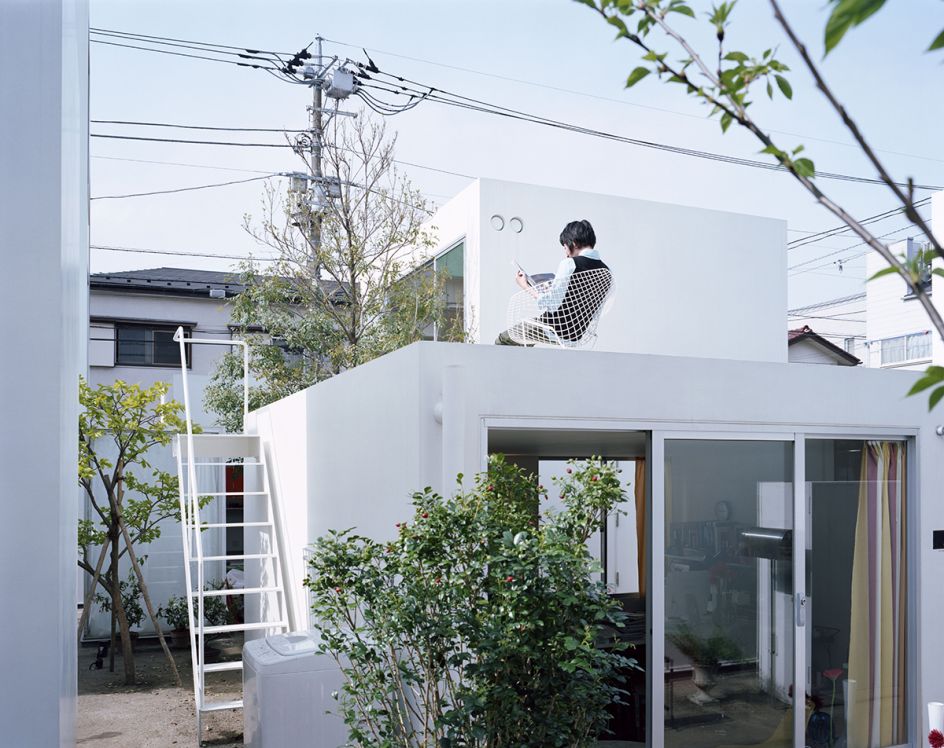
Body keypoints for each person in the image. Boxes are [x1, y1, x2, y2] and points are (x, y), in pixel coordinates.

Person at [495, 219, 611, 346]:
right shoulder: (607, 272)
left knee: (503, 340)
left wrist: (525, 286)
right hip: (577, 336)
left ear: (573, 243)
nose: (566, 254)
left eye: (565, 248)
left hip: (552, 329)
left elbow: (552, 304)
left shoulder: (569, 264)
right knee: (524, 341)